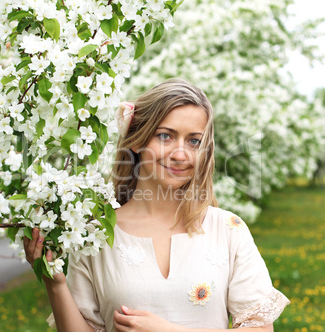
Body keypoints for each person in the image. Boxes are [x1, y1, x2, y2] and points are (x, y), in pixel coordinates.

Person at [24, 79, 290, 331]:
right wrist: (54, 283)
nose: (180, 154)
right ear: (137, 139)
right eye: (166, 136)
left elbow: (261, 329)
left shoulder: (229, 229)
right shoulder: (97, 234)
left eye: (194, 141)